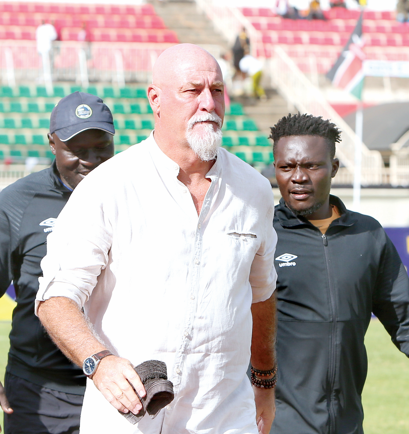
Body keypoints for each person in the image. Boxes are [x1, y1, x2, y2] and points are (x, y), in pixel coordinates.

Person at [35, 44, 278, 433]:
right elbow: (55, 299)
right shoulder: (108, 186)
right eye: (192, 90)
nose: (208, 103)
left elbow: (261, 295)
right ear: (155, 99)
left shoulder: (255, 190)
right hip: (127, 421)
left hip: (223, 419)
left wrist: (264, 380)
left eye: (216, 90)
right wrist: (100, 362)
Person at [0, 92, 116, 434]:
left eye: (101, 147)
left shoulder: (135, 197)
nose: (90, 160)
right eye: (76, 149)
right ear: (52, 143)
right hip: (39, 393)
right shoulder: (18, 202)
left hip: (119, 387)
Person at [269, 113, 409, 434]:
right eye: (286, 167)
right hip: (275, 425)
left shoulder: (367, 234)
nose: (298, 177)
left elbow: (404, 319)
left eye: (311, 166)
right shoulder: (260, 234)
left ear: (333, 168)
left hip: (347, 425)